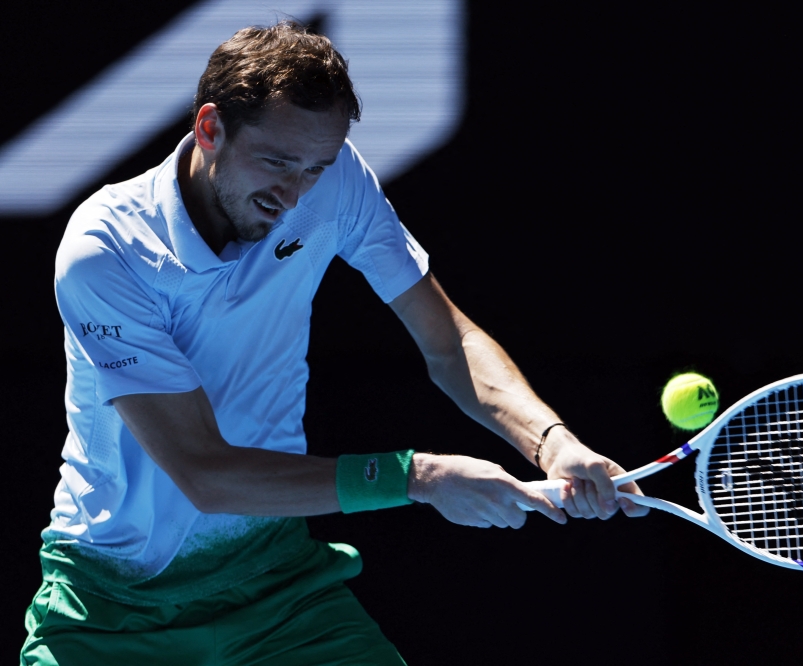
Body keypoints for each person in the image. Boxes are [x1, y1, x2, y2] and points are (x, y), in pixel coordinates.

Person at [21, 21, 647, 665]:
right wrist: (420, 477)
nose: (294, 196)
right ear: (210, 128)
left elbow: (447, 340)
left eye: (315, 168)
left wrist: (552, 441)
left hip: (277, 593)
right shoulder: (107, 250)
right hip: (110, 614)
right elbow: (204, 474)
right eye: (277, 162)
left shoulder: (334, 183)